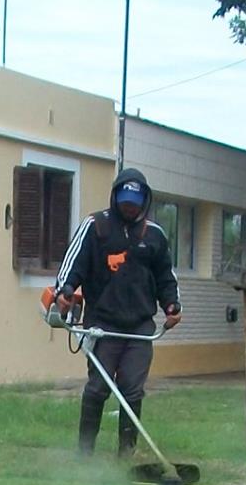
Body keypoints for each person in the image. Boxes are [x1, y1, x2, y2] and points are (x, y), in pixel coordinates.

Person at [48, 168, 182, 456]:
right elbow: (73, 264)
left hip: (140, 328)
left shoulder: (155, 236)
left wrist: (172, 306)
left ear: (144, 202)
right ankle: (85, 454)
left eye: (134, 202)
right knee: (98, 388)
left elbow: (166, 277)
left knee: (132, 390)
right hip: (102, 325)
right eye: (124, 201)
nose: (129, 206)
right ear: (115, 197)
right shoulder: (95, 227)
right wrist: (65, 291)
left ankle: (126, 453)